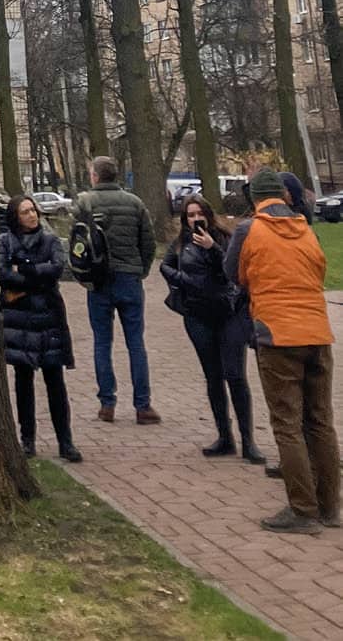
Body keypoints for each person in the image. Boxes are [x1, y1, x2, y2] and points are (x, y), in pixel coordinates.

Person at [225, 166, 340, 534]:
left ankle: (302, 510)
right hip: (318, 333)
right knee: (321, 420)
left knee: (287, 424)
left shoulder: (249, 230)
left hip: (277, 335)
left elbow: (235, 273)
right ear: (285, 196)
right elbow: (318, 270)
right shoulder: (306, 230)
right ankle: (330, 507)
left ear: (254, 198)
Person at [160, 195, 262, 463]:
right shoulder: (181, 243)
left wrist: (212, 247)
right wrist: (185, 281)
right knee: (213, 376)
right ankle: (224, 436)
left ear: (208, 214)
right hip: (198, 316)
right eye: (190, 216)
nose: (195, 219)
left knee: (235, 375)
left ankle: (248, 440)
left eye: (199, 214)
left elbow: (233, 269)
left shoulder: (224, 238)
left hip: (228, 314)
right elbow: (165, 266)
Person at [0, 194, 81, 463]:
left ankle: (65, 441)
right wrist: (33, 277)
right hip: (19, 318)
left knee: (55, 381)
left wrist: (26, 271)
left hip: (48, 317)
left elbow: (57, 268)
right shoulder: (5, 241)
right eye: (25, 212)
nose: (32, 215)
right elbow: (2, 272)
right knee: (23, 381)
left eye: (33, 210)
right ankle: (27, 439)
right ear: (15, 217)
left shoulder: (50, 240)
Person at [76, 155, 160, 425]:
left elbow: (78, 244)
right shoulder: (135, 203)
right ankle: (143, 405)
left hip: (99, 281)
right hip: (129, 278)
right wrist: (141, 269)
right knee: (136, 342)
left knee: (102, 343)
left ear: (96, 176)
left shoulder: (85, 202)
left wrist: (84, 276)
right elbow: (148, 242)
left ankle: (107, 404)